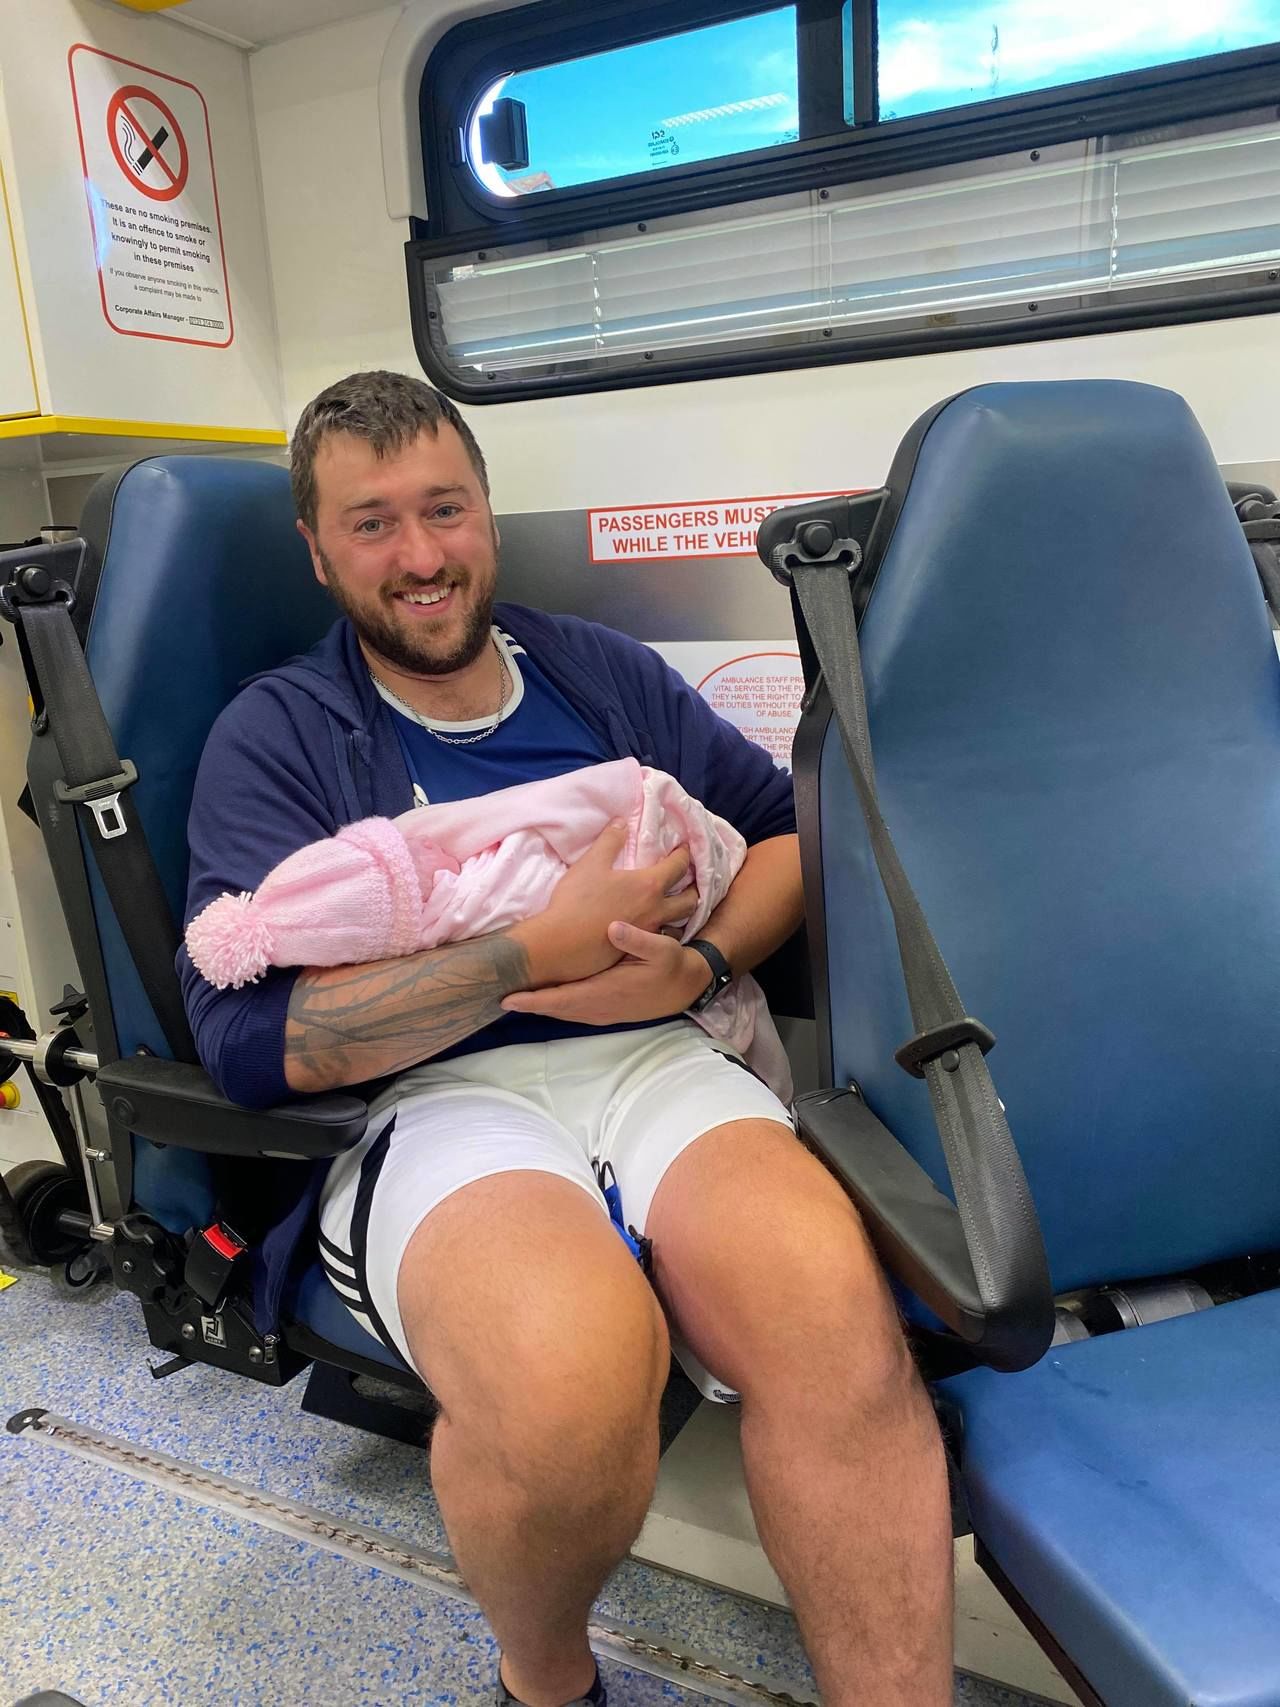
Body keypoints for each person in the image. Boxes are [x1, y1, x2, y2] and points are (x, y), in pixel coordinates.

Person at [180, 371, 953, 1707]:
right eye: (371, 525)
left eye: (444, 510)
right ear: (315, 548)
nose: (420, 558)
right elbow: (260, 1044)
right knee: (572, 1393)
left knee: (836, 1330)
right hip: (440, 1099)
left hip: (660, 1061)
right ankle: (544, 1681)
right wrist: (527, 954)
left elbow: (779, 835)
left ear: (486, 512)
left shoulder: (598, 676)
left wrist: (699, 963)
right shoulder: (279, 737)